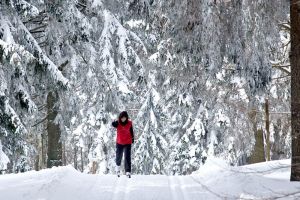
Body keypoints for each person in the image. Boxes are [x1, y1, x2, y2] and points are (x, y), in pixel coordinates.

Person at [111, 111, 134, 178]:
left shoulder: (129, 123)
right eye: (122, 118)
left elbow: (131, 130)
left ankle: (128, 171)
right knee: (119, 156)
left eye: (124, 118)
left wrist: (132, 138)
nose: (123, 119)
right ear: (120, 118)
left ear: (126, 118)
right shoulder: (118, 123)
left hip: (127, 142)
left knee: (127, 157)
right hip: (119, 143)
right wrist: (114, 122)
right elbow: (113, 124)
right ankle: (118, 169)